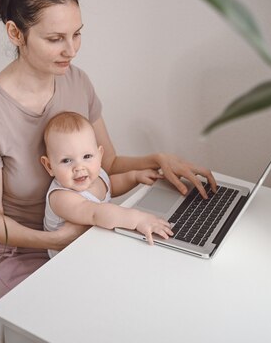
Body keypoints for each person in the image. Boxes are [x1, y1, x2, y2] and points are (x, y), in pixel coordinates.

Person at [0, 0, 217, 299]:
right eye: (55, 39)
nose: (71, 50)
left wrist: (157, 160)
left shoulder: (77, 82)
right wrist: (55, 240)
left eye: (76, 34)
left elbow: (107, 162)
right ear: (15, 33)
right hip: (23, 251)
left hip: (84, 233)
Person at [41, 111, 173, 258]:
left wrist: (134, 177)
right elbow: (96, 213)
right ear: (49, 166)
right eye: (66, 160)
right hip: (69, 259)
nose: (79, 167)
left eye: (87, 156)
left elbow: (111, 186)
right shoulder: (61, 197)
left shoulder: (97, 175)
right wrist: (139, 219)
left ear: (99, 155)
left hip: (97, 243)